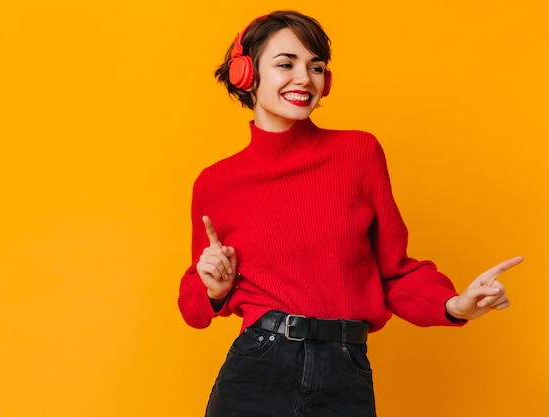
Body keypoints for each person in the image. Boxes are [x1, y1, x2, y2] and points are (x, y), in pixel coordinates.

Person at [177, 10, 523, 417]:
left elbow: (395, 271)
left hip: (346, 368)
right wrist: (215, 288)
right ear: (245, 73)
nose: (305, 78)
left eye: (316, 67)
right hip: (258, 368)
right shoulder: (217, 182)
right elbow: (193, 304)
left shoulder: (358, 154)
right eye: (286, 64)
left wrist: (454, 305)